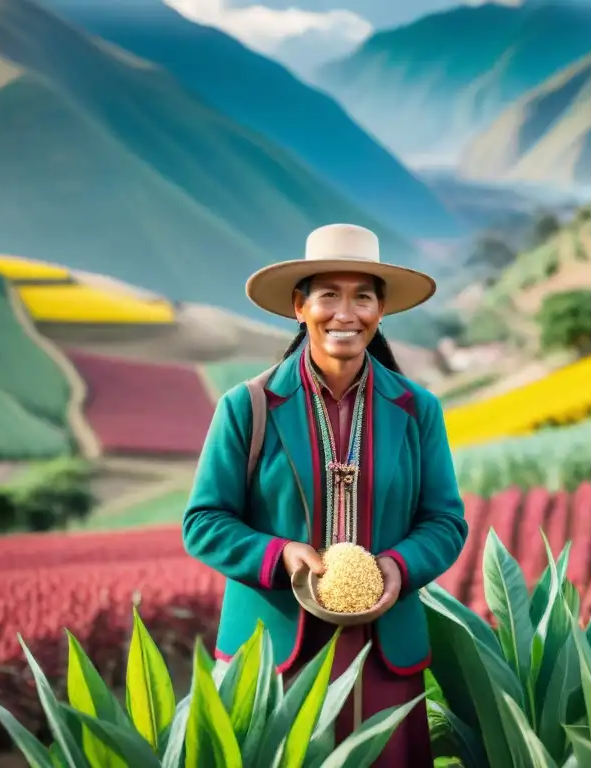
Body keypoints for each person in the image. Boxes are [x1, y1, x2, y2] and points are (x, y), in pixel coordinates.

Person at [182, 223, 468, 764]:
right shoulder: (248, 407)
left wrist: (397, 568)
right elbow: (203, 522)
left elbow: (444, 521)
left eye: (362, 296)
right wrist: (281, 555)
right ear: (299, 305)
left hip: (385, 653)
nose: (346, 313)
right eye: (328, 295)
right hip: (276, 656)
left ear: (380, 311)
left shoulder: (416, 409)